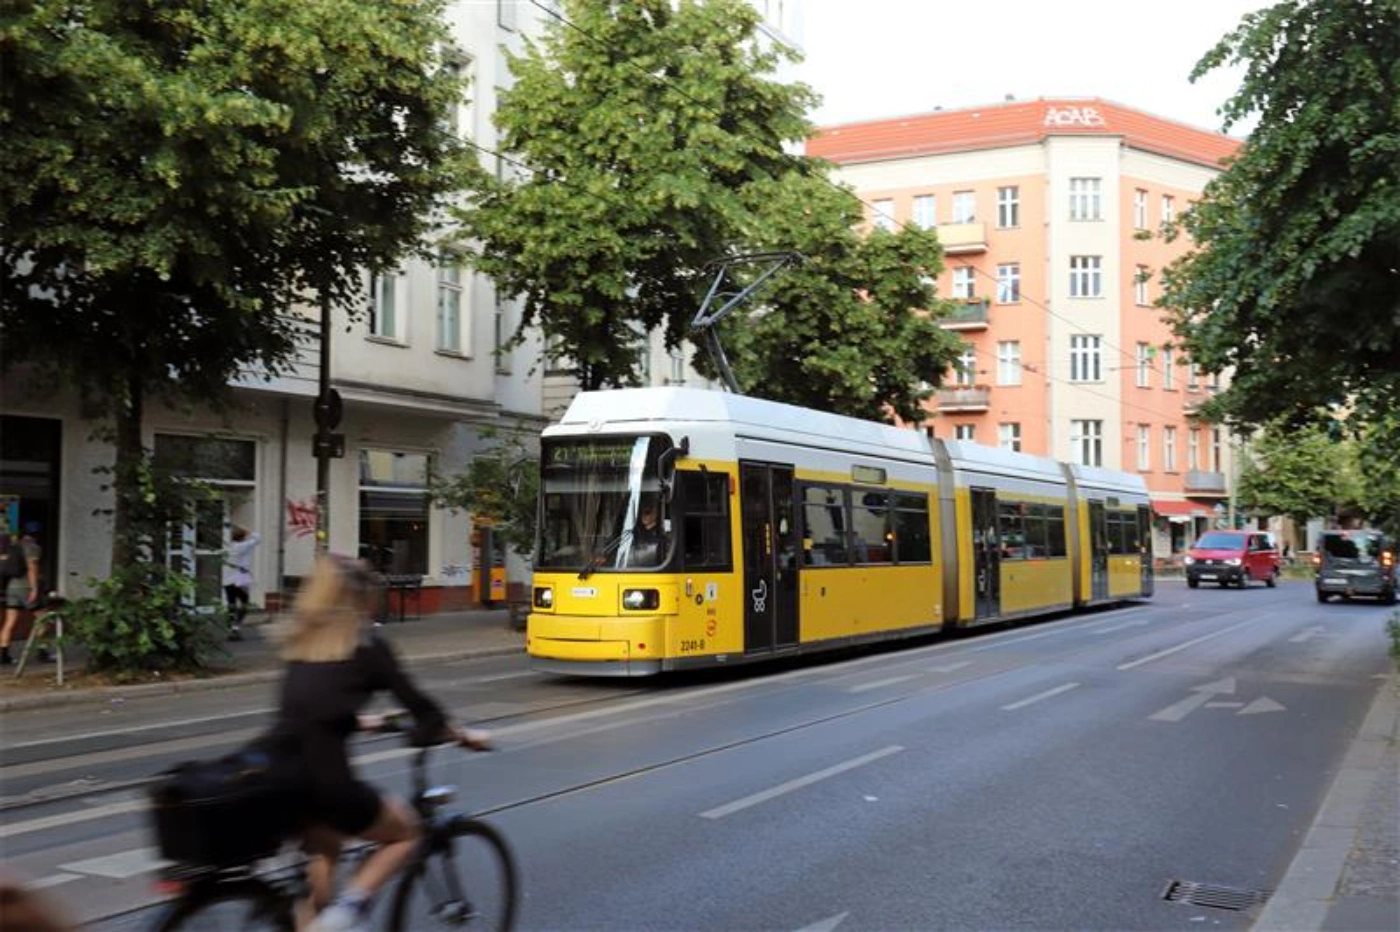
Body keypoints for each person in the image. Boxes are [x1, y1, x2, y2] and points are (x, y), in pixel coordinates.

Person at [261, 554, 489, 932]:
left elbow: (310, 707)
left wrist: (357, 721)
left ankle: (315, 922)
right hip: (327, 783)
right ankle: (345, 915)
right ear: (363, 598)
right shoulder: (366, 645)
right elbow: (422, 708)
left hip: (279, 774)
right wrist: (463, 735)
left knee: (326, 847)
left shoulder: (300, 643)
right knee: (406, 832)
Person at [0, 530, 41, 666]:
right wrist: (34, 588)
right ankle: (42, 651)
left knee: (9, 621)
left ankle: (3, 655)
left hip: (11, 587)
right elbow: (32, 567)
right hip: (25, 587)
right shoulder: (32, 547)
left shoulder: (13, 547)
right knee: (44, 618)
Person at [223, 525, 260, 641]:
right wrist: (249, 531)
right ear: (243, 537)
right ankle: (236, 626)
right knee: (245, 602)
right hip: (241, 576)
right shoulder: (244, 545)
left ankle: (231, 628)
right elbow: (258, 538)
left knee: (231, 603)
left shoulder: (229, 547)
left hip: (228, 578)